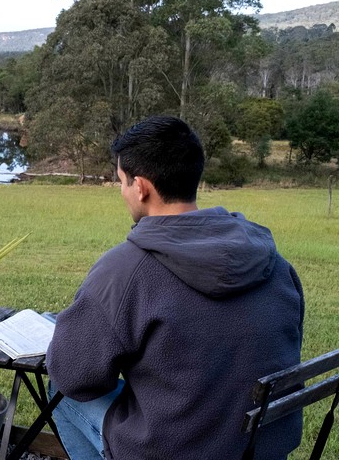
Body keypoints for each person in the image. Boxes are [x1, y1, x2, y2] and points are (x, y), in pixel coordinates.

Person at [45, 116, 304, 460]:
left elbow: (75, 377)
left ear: (141, 187)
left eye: (121, 182)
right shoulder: (275, 264)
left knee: (58, 389)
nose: (122, 192)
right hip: (258, 447)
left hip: (170, 450)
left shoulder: (125, 270)